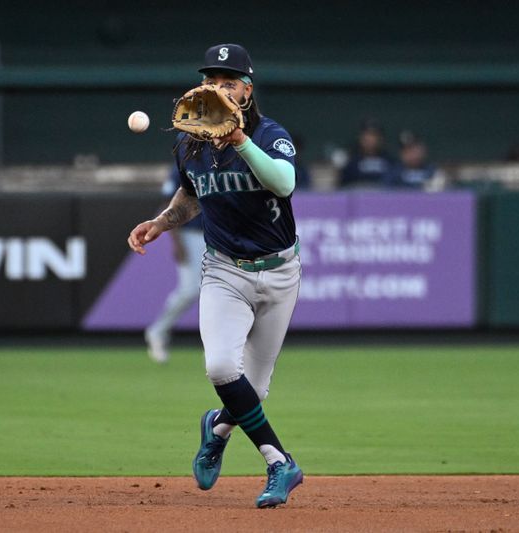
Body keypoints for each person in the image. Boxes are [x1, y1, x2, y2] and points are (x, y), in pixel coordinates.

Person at [127, 43, 303, 509]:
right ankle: (279, 462)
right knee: (224, 369)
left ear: (246, 91)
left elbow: (283, 183)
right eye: (212, 81)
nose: (218, 89)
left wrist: (242, 141)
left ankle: (218, 428)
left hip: (280, 271)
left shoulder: (269, 134)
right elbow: (190, 197)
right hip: (224, 269)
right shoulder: (189, 144)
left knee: (254, 391)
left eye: (229, 82)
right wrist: (161, 223)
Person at [144, 165, 206, 364]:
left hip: (216, 234)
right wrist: (176, 241)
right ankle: (157, 332)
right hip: (190, 233)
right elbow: (168, 204)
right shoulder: (185, 163)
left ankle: (220, 346)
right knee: (189, 290)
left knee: (223, 290)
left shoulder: (223, 158)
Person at [337, 119, 396, 188]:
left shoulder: (390, 161)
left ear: (380, 138)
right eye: (366, 135)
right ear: (361, 138)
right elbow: (343, 186)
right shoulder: (351, 162)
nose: (370, 139)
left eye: (374, 135)